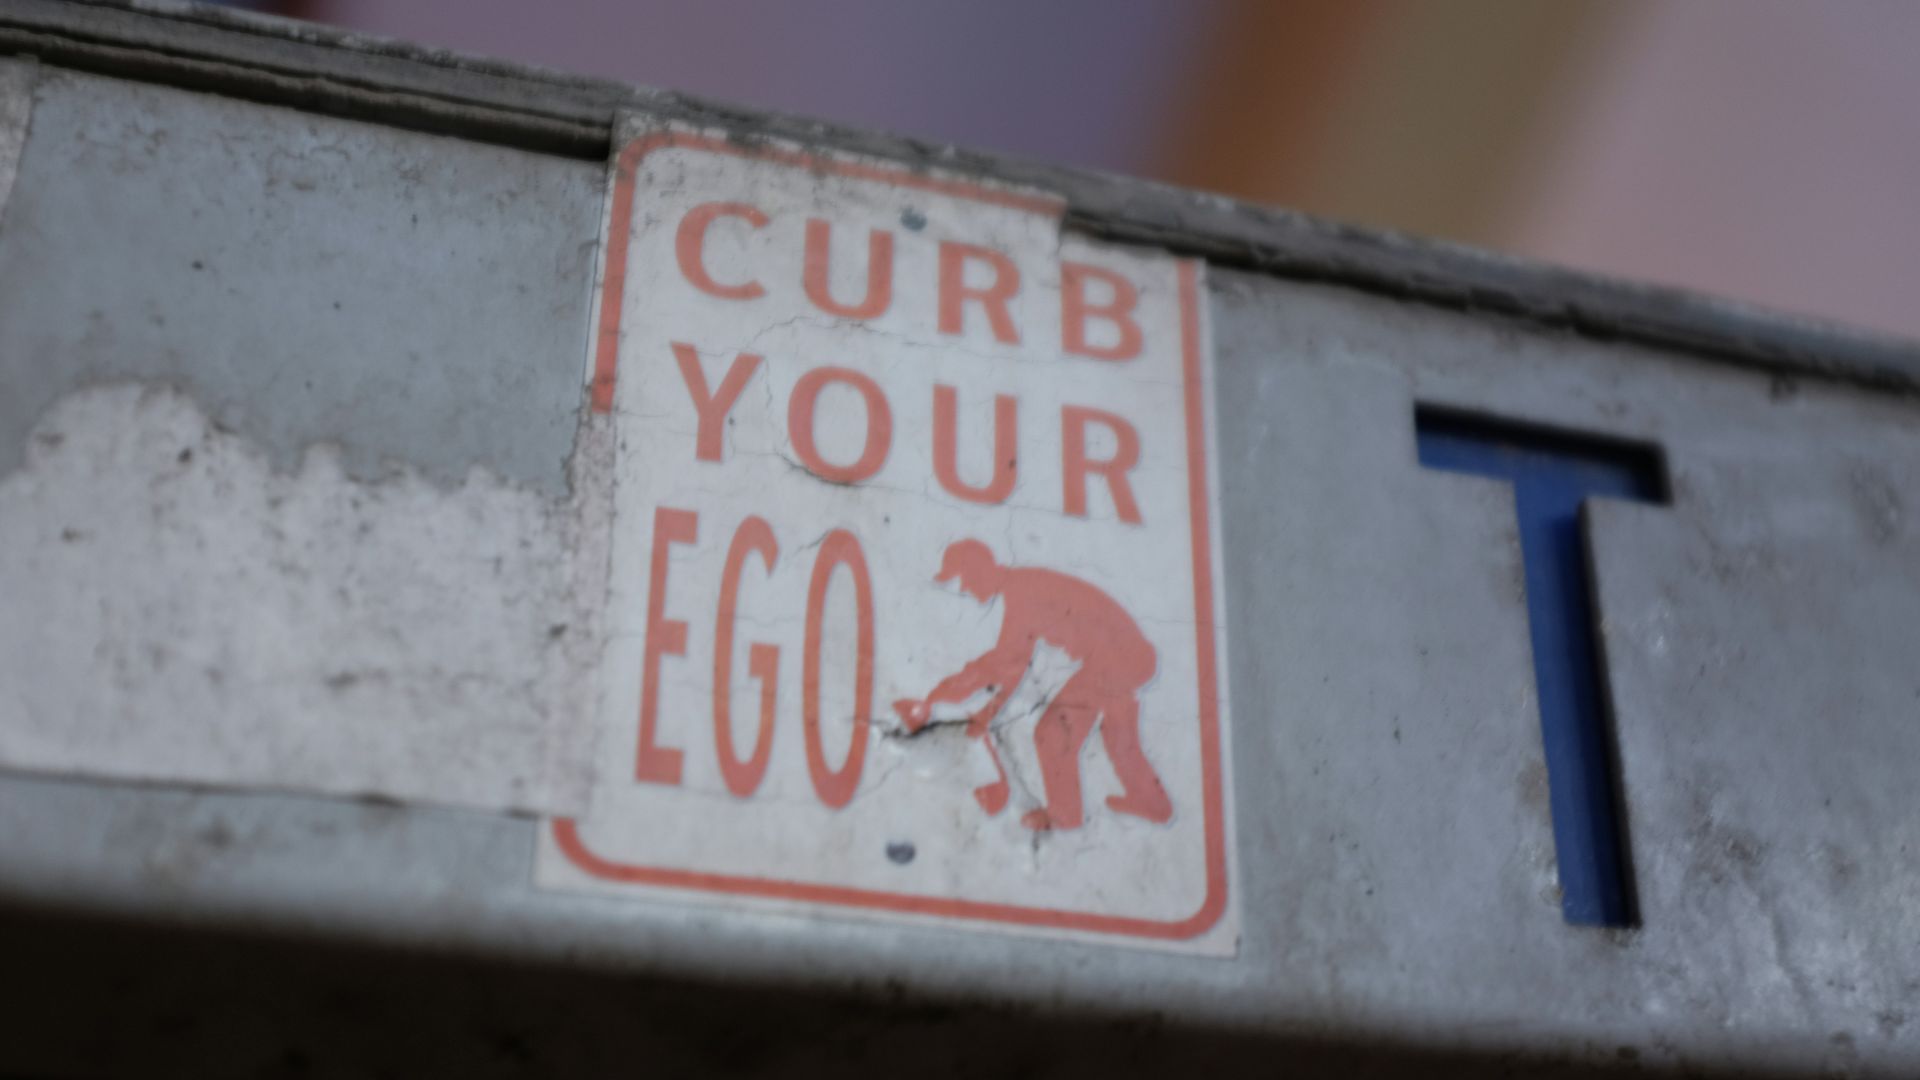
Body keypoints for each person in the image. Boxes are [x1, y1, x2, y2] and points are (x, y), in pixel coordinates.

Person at [895, 539, 1172, 830]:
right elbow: (1008, 665)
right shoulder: (1021, 586)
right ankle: (1153, 803)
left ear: (979, 570)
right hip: (1129, 655)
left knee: (1053, 733)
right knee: (1118, 733)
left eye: (964, 579)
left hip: (1117, 658)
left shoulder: (1021, 593)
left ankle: (1064, 815)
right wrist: (972, 706)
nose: (964, 589)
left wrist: (980, 710)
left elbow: (1009, 664)